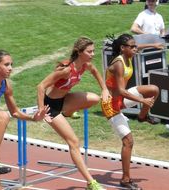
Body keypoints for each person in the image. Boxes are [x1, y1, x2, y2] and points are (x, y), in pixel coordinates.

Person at [36, 37, 109, 190]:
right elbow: (41, 86)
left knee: (95, 98)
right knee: (74, 142)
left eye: (93, 51)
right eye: (89, 52)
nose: (93, 54)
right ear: (79, 52)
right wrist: (41, 109)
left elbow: (95, 71)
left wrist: (104, 89)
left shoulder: (85, 65)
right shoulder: (66, 69)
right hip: (51, 107)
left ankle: (68, 112)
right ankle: (91, 183)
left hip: (65, 100)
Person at [101, 34, 159, 190]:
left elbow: (138, 47)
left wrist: (154, 45)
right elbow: (120, 90)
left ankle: (142, 117)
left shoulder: (129, 54)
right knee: (128, 142)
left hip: (120, 99)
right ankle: (125, 180)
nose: (135, 49)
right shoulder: (119, 64)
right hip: (110, 105)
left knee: (153, 90)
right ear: (123, 48)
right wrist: (142, 101)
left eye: (135, 46)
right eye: (132, 47)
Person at [0, 50, 49, 190]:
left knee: (4, 116)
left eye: (11, 64)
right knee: (2, 116)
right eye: (6, 64)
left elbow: (15, 112)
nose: (10, 68)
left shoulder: (5, 86)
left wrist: (34, 118)